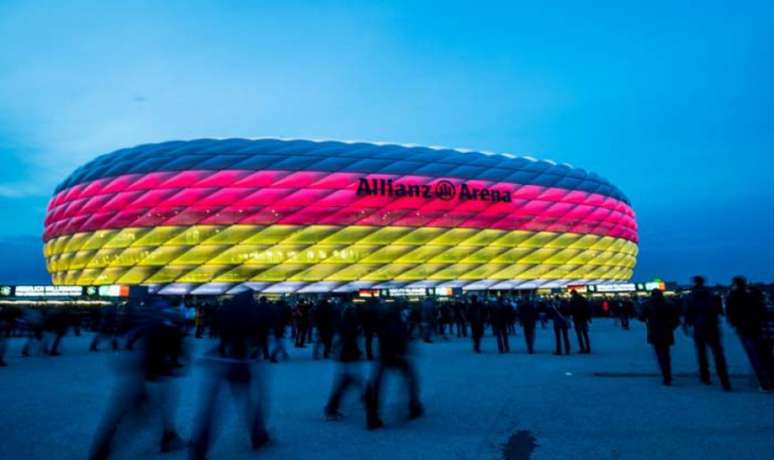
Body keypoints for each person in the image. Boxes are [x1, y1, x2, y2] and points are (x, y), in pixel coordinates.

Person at [88, 296, 187, 460]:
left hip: (140, 371)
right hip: (153, 375)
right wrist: (175, 363)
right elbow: (176, 353)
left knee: (127, 413)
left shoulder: (152, 320)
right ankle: (167, 437)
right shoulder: (170, 323)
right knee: (140, 413)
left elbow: (134, 336)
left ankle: (168, 436)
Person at [190, 291, 270, 460]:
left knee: (212, 406)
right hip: (240, 362)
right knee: (248, 400)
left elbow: (217, 330)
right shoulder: (250, 314)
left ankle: (199, 447)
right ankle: (258, 436)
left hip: (221, 361)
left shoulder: (226, 310)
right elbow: (256, 335)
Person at [364, 303, 423, 430]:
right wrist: (403, 350)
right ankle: (414, 406)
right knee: (411, 379)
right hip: (396, 356)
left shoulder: (383, 321)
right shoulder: (397, 322)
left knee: (377, 384)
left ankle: (372, 415)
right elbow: (402, 338)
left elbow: (380, 337)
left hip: (384, 356)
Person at [683, 276, 732, 391]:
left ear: (694, 283)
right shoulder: (713, 296)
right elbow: (719, 311)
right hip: (712, 326)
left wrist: (687, 324)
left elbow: (687, 313)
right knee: (718, 354)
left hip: (699, 327)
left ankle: (705, 377)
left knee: (701, 353)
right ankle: (725, 381)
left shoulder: (690, 297)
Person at [726, 277, 773, 391]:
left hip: (745, 329)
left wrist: (736, 325)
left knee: (755, 357)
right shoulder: (752, 296)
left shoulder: (733, 296)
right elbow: (762, 312)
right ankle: (770, 380)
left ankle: (764, 383)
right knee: (766, 356)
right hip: (758, 329)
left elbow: (730, 313)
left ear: (735, 284)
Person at [324, 301, 364, 420]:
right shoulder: (349, 325)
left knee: (348, 381)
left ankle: (332, 408)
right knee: (348, 381)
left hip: (346, 356)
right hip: (348, 356)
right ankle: (331, 408)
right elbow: (349, 340)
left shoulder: (345, 324)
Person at [639, 289, 681, 385]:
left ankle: (665, 375)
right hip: (666, 332)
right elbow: (676, 320)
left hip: (654, 332)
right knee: (666, 354)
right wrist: (670, 327)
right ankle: (667, 375)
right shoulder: (669, 304)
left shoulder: (648, 305)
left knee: (659, 354)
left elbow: (641, 317)